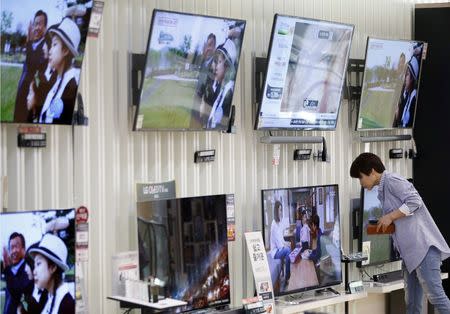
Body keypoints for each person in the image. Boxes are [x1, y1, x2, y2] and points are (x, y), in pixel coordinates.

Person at [350, 152, 450, 313]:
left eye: (360, 177)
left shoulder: (391, 181)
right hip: (409, 254)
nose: (361, 182)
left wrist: (390, 216)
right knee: (412, 303)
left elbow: (415, 201)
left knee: (436, 297)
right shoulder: (382, 188)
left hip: (423, 249)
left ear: (372, 172)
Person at [39, 17, 80, 124]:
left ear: (66, 50)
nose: (50, 51)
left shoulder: (70, 89)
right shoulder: (59, 81)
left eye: (55, 44)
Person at [14, 10, 49, 123]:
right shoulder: (33, 43)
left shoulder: (46, 46)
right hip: (22, 89)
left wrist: (29, 40)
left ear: (45, 26)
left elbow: (34, 64)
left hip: (31, 94)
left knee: (26, 122)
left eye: (40, 24)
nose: (37, 27)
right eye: (35, 24)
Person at [28, 233, 75, 314]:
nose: (34, 271)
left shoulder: (67, 305)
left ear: (53, 267)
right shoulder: (46, 295)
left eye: (38, 264)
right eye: (34, 265)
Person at [205, 39, 237, 129]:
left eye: (217, 62)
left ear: (226, 66)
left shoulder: (229, 93)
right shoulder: (222, 90)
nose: (213, 67)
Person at [2, 233, 34, 314]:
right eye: (11, 247)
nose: (13, 251)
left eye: (16, 246)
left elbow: (19, 294)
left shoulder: (28, 270)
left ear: (24, 249)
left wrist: (7, 270)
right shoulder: (11, 270)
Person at [392, 56, 420, 128]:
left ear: (412, 78)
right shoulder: (408, 96)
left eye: (407, 74)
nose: (404, 78)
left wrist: (398, 117)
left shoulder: (414, 100)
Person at [269, 201, 290, 287]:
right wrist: (285, 245)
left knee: (289, 246)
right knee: (288, 250)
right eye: (280, 210)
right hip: (275, 252)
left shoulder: (279, 223)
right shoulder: (273, 225)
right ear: (276, 211)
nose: (281, 212)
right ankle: (287, 278)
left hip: (279, 249)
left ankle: (288, 275)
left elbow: (281, 239)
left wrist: (286, 243)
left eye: (281, 210)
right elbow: (279, 244)